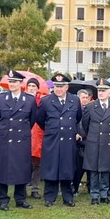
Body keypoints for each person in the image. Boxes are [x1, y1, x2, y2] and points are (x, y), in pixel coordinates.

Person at [36, 73, 83, 207]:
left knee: (67, 168)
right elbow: (40, 120)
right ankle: (49, 198)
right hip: (52, 139)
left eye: (61, 86)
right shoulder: (46, 101)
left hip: (68, 140)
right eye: (56, 86)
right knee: (51, 168)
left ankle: (68, 198)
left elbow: (78, 117)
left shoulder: (75, 100)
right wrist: (52, 130)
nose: (58, 89)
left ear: (67, 87)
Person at [0, 71, 36, 211]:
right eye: (10, 81)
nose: (12, 84)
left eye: (15, 82)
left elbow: (32, 120)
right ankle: (3, 200)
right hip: (5, 138)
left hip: (21, 139)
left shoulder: (29, 99)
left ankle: (20, 199)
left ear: (21, 83)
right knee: (3, 169)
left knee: (21, 169)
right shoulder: (0, 98)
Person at [80, 79, 110, 205]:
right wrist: (92, 136)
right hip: (94, 141)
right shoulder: (90, 106)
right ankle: (94, 196)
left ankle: (104, 195)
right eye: (99, 90)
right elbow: (85, 125)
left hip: (107, 141)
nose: (101, 93)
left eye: (103, 91)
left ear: (109, 92)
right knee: (93, 170)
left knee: (105, 169)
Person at [26, 77, 44, 200]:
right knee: (23, 164)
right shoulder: (22, 99)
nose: (32, 88)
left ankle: (35, 189)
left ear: (38, 88)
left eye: (34, 86)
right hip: (25, 135)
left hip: (38, 135)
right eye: (30, 86)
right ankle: (22, 189)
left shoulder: (42, 101)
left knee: (37, 164)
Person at [73, 89, 91, 196]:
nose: (85, 100)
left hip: (88, 141)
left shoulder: (90, 109)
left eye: (86, 98)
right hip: (77, 142)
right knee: (77, 168)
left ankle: (90, 188)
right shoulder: (74, 109)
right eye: (83, 97)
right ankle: (75, 188)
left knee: (89, 168)